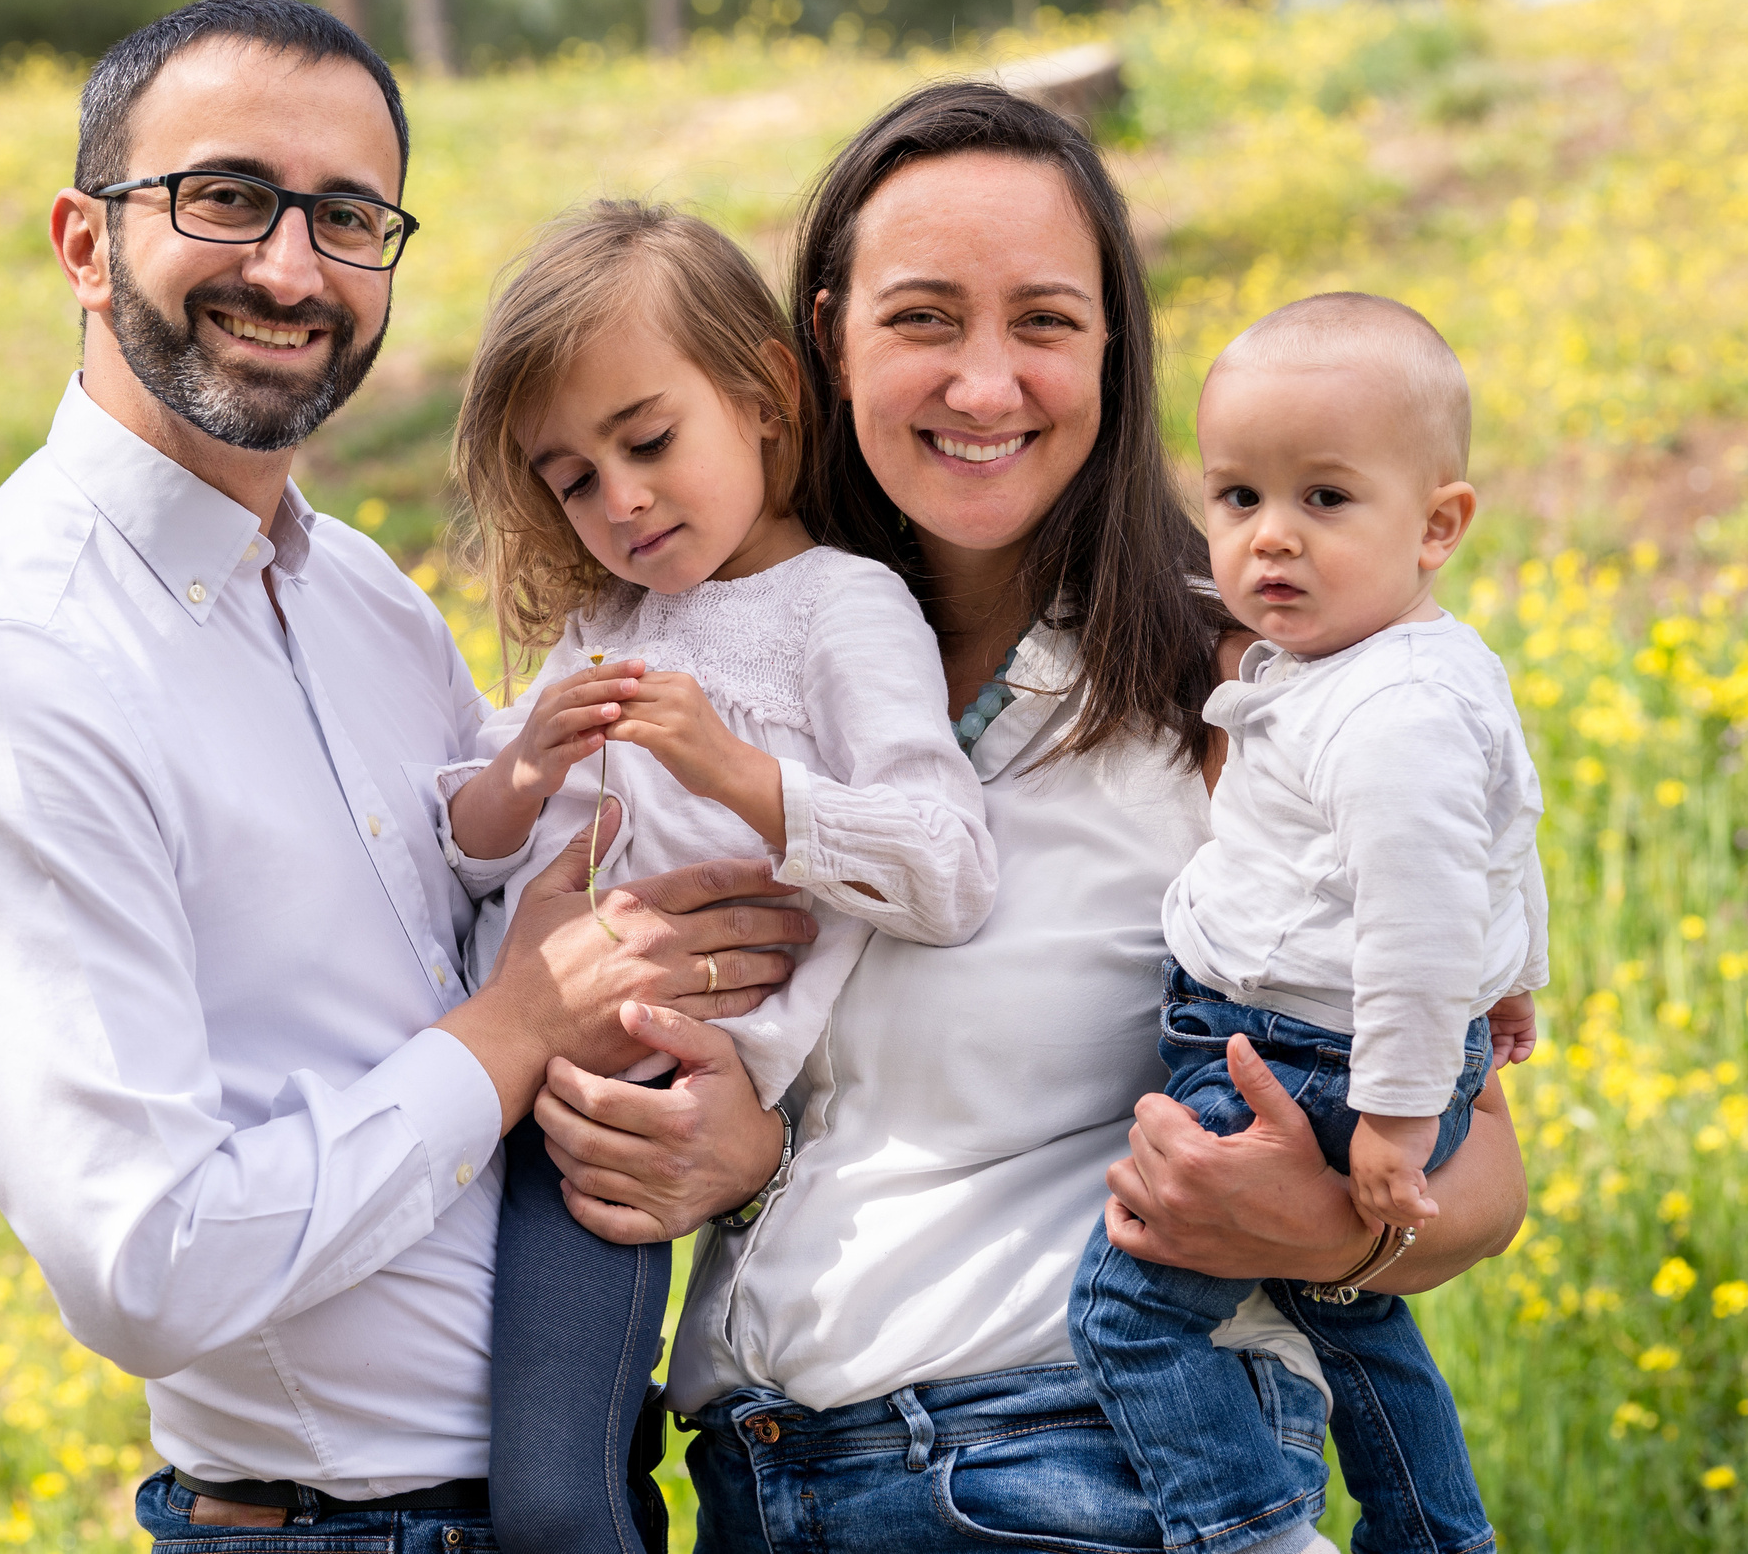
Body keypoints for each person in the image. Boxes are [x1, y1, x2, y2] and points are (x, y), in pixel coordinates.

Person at [0, 0, 818, 1553]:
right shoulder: (15, 666)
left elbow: (522, 907)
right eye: (227, 197)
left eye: (349, 216)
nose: (292, 268)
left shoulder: (361, 595)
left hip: (585, 1494)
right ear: (86, 242)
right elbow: (143, 1259)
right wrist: (512, 1028)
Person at [526, 83, 1533, 1551]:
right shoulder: (706, 648)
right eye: (925, 318)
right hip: (754, 1487)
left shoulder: (1247, 688)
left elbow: (1481, 1150)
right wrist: (721, 1144)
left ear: (1115, 355)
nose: (986, 385)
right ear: (821, 342)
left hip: (1079, 1472)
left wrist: (1326, 1231)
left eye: (1046, 323)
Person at [438, 201, 997, 1552]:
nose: (619, 501)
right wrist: (518, 780)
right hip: (506, 1070)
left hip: (633, 1107)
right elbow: (458, 837)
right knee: (545, 1474)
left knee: (560, 1499)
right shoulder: (605, 624)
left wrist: (738, 771)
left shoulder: (842, 606)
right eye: (571, 476)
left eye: (648, 439)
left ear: (758, 395)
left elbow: (948, 862)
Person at [1068, 291, 1547, 1554]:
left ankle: (1244, 1529)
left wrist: (1394, 1115)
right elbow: (1499, 841)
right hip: (1339, 1047)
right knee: (1356, 1322)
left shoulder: (1383, 711)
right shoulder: (1416, 664)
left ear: (1438, 522)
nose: (1270, 539)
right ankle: (1434, 1530)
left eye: (1324, 500)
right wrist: (1510, 982)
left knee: (1128, 1310)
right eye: (1236, 499)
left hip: (1311, 1061)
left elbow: (1415, 918)